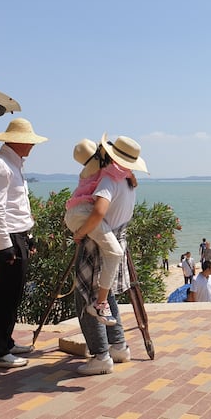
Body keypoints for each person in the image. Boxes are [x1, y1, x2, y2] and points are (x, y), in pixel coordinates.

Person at [73, 133, 148, 375]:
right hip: (116, 243)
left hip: (97, 248)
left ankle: (100, 357)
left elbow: (97, 213)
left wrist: (80, 232)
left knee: (87, 301)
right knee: (106, 298)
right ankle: (119, 346)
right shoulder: (129, 181)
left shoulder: (107, 182)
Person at [0, 118, 48, 368]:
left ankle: (5, 343)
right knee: (6, 295)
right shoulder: (0, 165)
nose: (32, 146)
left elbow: (16, 207)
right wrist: (5, 245)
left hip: (16, 236)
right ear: (17, 141)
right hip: (7, 238)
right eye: (29, 141)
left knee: (13, 294)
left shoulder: (13, 163)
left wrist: (27, 237)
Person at [64, 137, 137, 325]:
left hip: (79, 213)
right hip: (81, 214)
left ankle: (101, 304)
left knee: (112, 255)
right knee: (115, 252)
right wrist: (80, 234)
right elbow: (98, 211)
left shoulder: (108, 173)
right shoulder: (108, 176)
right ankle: (100, 303)